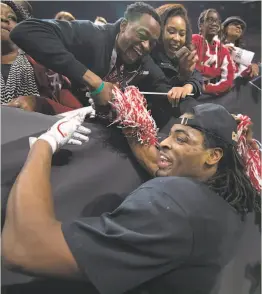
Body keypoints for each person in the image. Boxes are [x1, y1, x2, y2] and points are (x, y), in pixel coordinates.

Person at [2, 103, 260, 294]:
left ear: (213, 156)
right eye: (169, 134)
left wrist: (45, 144)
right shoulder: (229, 204)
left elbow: (22, 248)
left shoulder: (172, 202)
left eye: (181, 139)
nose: (163, 143)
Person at [9, 2, 178, 130]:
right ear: (124, 25)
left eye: (152, 43)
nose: (146, 46)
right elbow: (24, 31)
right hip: (59, 107)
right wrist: (94, 81)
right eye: (142, 35)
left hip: (92, 122)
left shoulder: (143, 59)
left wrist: (184, 84)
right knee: (25, 107)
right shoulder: (93, 35)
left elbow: (161, 86)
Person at [1, 0, 83, 114]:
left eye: (12, 18)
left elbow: (79, 113)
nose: (4, 19)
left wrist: (40, 105)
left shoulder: (48, 68)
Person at [152, 4, 202, 104]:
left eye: (182, 34)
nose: (177, 38)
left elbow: (197, 77)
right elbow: (163, 91)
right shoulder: (150, 57)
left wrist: (188, 87)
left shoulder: (183, 55)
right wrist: (181, 78)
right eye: (171, 32)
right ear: (159, 30)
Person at [192, 9, 235, 96]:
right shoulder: (194, 40)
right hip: (191, 93)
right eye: (210, 20)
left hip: (212, 96)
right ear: (201, 25)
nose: (214, 24)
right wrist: (216, 71)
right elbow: (193, 68)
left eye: (217, 21)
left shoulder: (223, 50)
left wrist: (208, 89)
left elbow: (228, 80)